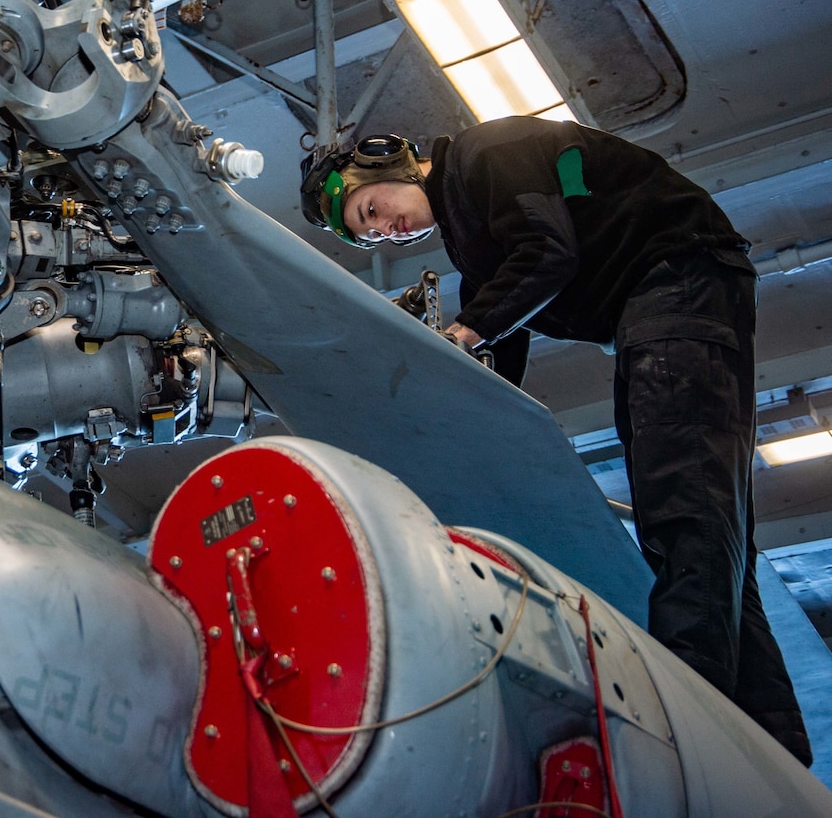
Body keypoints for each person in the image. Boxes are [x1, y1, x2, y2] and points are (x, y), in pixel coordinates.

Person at [302, 116, 812, 765]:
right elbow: (497, 356)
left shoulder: (489, 155)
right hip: (664, 304)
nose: (384, 230)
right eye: (370, 233)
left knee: (683, 510)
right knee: (709, 526)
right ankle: (774, 744)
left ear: (388, 163)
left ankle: (694, 732)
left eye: (371, 209)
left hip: (678, 279)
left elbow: (547, 254)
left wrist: (462, 334)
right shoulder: (476, 250)